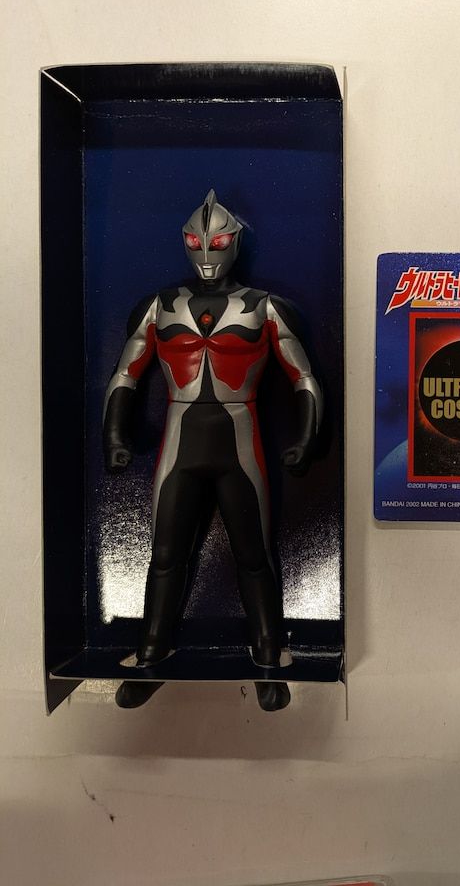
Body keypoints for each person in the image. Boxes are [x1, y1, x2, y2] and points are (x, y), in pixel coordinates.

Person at [103, 189, 321, 709]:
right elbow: (125, 374)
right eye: (197, 240)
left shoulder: (265, 307)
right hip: (181, 446)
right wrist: (114, 435)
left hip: (238, 446)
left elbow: (304, 378)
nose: (206, 249)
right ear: (184, 241)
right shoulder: (160, 306)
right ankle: (151, 652)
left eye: (218, 241)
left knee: (254, 557)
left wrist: (307, 438)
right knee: (164, 557)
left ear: (234, 242)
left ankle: (268, 655)